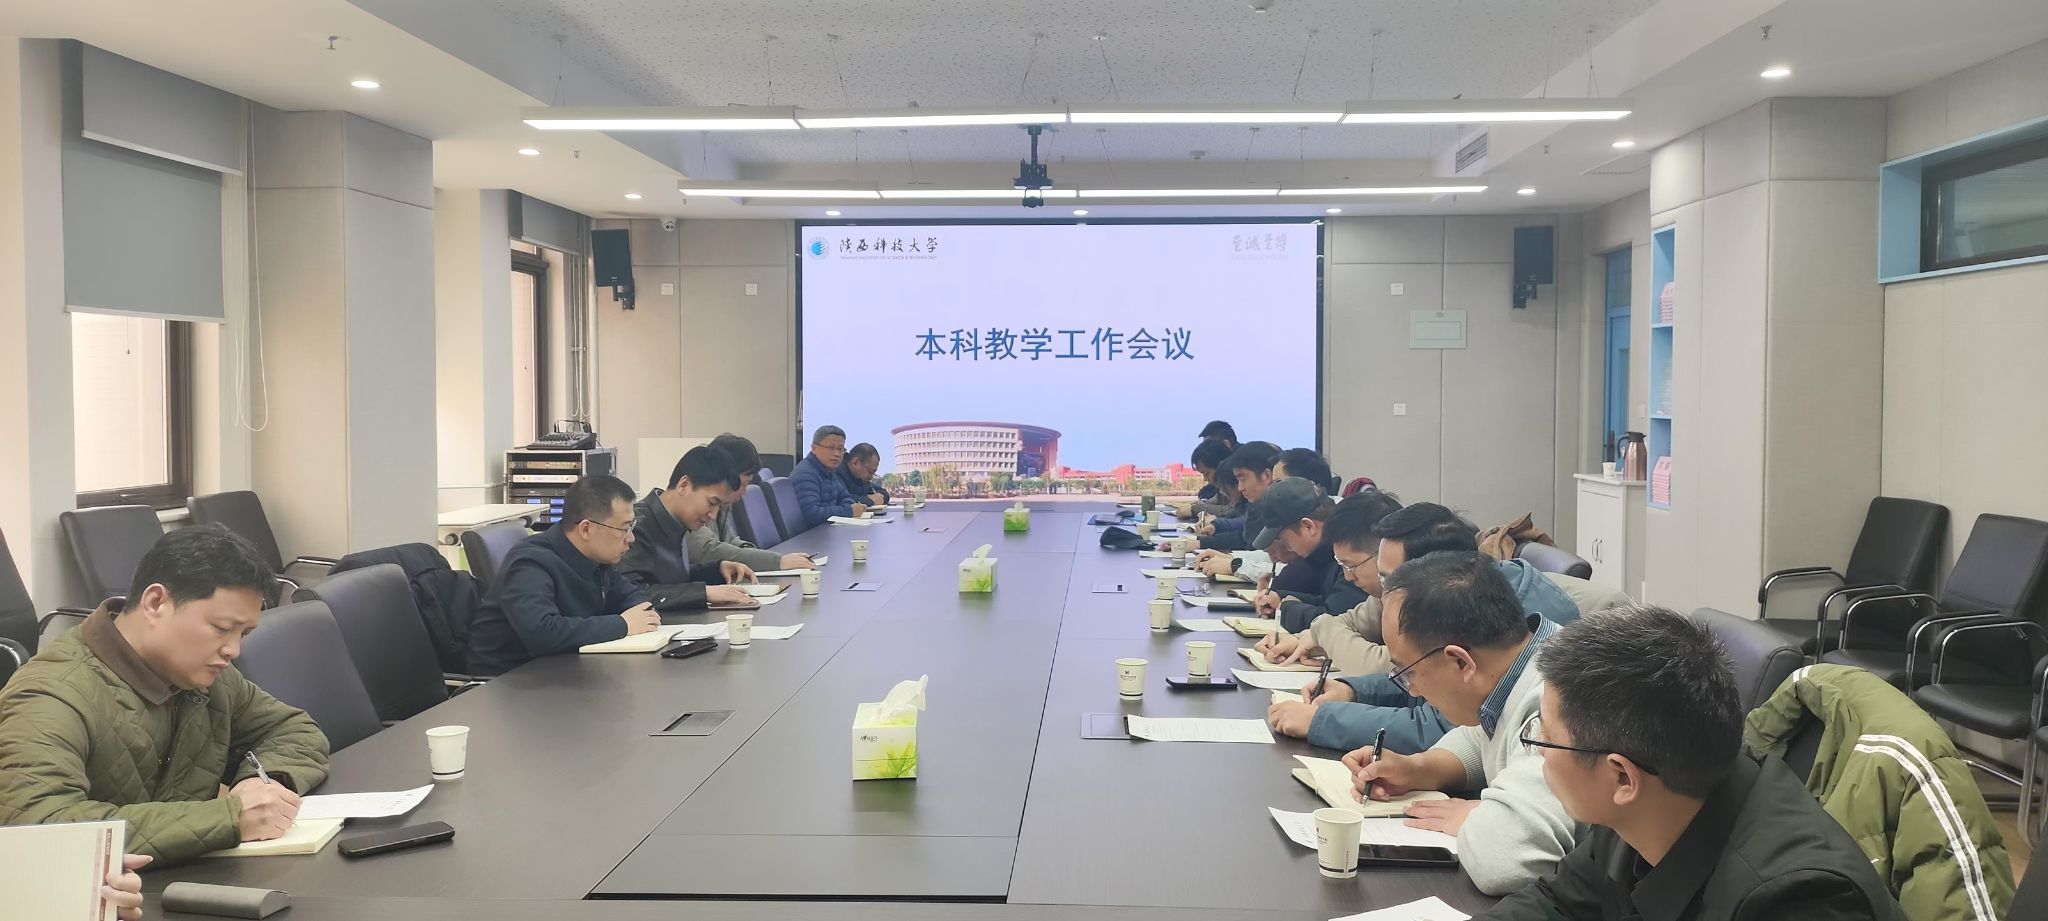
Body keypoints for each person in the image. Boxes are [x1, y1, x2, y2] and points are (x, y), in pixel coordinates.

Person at [1481, 605, 1902, 921]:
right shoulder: (1653, 796)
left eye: (1546, 737)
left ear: (1622, 777)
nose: (1538, 750)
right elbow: (1557, 903)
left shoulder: (1798, 899)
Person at [0, 526, 331, 864]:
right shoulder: (50, 695)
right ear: (155, 602)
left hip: (188, 877)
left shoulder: (208, 677)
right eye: (221, 628)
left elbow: (294, 730)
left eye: (243, 633)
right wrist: (227, 818)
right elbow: (39, 828)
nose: (233, 649)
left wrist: (263, 783)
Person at [1266, 502, 1588, 753]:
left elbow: (1441, 725)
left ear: (1431, 573)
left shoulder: (1487, 616)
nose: (1383, 591)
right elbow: (1422, 678)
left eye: (1389, 579)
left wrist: (1321, 721)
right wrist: (1355, 690)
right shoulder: (1465, 588)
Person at [1344, 551, 1576, 897]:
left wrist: (1476, 817)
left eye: (1408, 672)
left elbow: (1506, 861)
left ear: (1461, 662)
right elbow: (1483, 734)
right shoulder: (1521, 660)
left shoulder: (1555, 702)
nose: (1413, 690)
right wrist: (1419, 768)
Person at [464, 475, 658, 675]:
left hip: (561, 669)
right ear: (586, 529)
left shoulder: (596, 557)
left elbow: (630, 595)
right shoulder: (531, 562)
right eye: (624, 529)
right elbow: (541, 632)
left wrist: (643, 613)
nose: (630, 538)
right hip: (507, 680)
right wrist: (623, 624)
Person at [620, 446, 758, 611]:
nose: (713, 515)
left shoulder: (674, 520)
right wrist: (704, 593)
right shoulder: (636, 526)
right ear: (683, 485)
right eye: (712, 503)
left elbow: (669, 577)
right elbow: (630, 595)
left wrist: (717, 569)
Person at [1242, 478, 1363, 633]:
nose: (1289, 549)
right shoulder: (1325, 553)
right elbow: (1329, 601)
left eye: (1286, 541)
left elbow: (1334, 620)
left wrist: (1285, 608)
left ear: (1308, 527)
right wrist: (1281, 598)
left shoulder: (1350, 552)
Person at [688, 433, 815, 573]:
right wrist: (778, 561)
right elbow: (711, 551)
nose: (744, 492)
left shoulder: (722, 506)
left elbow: (730, 542)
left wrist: (757, 554)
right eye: (742, 484)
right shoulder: (693, 506)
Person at [791, 424, 868, 529]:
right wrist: (848, 511)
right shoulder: (805, 474)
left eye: (840, 449)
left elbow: (846, 498)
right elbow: (811, 514)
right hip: (811, 535)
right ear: (814, 448)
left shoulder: (830, 471)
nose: (837, 454)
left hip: (827, 530)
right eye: (831, 448)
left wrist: (851, 508)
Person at [837, 442, 889, 508]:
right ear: (855, 462)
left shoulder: (861, 479)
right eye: (870, 472)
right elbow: (838, 499)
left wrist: (878, 498)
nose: (871, 477)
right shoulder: (835, 471)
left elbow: (883, 493)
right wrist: (869, 500)